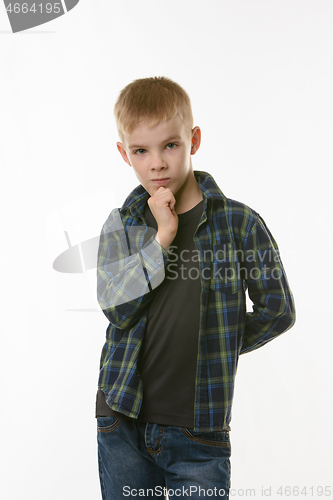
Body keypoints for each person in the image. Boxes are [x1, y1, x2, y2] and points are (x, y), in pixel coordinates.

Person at [95, 76, 296, 500]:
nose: (157, 164)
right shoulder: (124, 224)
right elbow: (117, 308)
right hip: (122, 420)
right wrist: (163, 237)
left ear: (194, 139)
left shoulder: (239, 223)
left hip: (198, 432)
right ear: (123, 153)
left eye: (170, 145)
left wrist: (216, 343)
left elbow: (278, 309)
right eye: (140, 151)